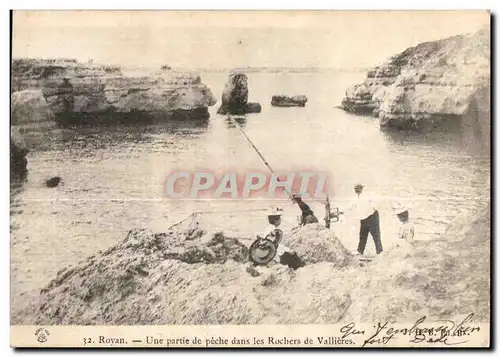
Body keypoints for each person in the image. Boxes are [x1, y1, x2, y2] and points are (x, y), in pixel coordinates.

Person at [348, 183, 383, 255]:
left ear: (361, 188)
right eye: (355, 189)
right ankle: (360, 252)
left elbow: (376, 203)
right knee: (362, 236)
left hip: (372, 217)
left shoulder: (367, 195)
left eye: (358, 188)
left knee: (376, 236)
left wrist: (373, 210)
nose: (356, 190)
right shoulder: (355, 198)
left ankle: (380, 253)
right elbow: (349, 207)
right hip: (363, 219)